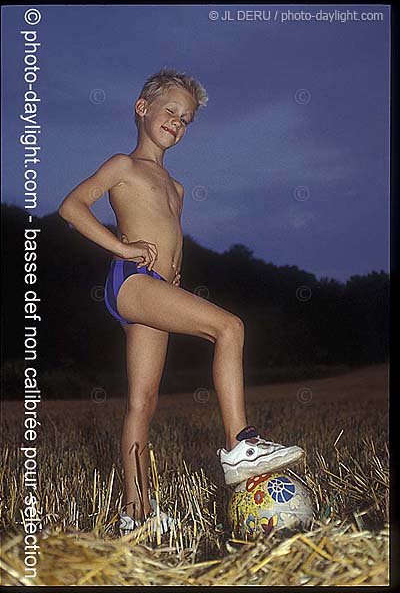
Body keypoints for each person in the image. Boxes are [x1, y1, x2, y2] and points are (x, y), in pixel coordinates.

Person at [58, 68, 305, 536]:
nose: (177, 122)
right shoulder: (122, 166)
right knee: (229, 327)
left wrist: (175, 271)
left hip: (157, 287)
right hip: (132, 280)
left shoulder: (176, 187)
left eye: (187, 119)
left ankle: (136, 513)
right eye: (169, 111)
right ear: (142, 108)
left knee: (142, 401)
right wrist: (123, 247)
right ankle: (239, 445)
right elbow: (72, 207)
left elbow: (170, 237)